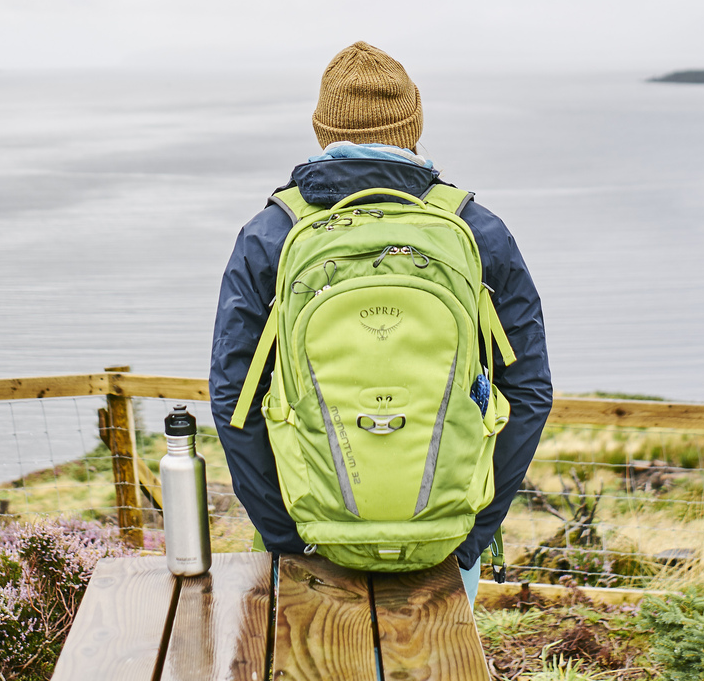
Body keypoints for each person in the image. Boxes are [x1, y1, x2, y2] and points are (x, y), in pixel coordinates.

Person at [209, 41, 553, 605]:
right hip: (444, 538)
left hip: (307, 535)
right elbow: (529, 390)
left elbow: (234, 397)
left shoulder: (271, 234)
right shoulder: (476, 230)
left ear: (322, 129)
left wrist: (288, 537)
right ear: (414, 126)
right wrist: (469, 536)